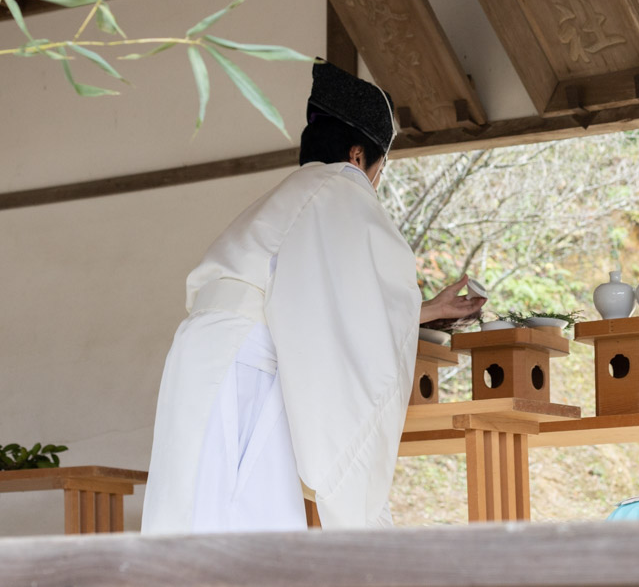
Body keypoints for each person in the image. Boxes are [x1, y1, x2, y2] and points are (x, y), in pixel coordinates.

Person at [142, 61, 485, 533]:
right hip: (245, 366)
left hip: (206, 353)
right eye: (379, 169)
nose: (376, 183)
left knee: (189, 510)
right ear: (358, 153)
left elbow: (326, 298)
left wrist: (427, 310)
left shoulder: (296, 192)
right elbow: (350, 311)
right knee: (239, 521)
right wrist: (418, 314)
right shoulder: (341, 186)